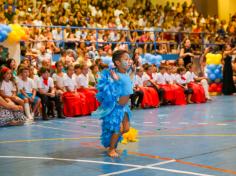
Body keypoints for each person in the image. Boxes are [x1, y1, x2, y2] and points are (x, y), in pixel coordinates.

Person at [92, 50, 134, 157]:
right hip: (116, 107)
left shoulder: (126, 72)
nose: (129, 61)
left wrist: (133, 69)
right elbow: (111, 89)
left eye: (129, 59)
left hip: (125, 107)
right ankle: (111, 149)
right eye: (126, 59)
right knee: (117, 129)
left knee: (126, 129)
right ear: (118, 62)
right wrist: (116, 80)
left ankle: (112, 143)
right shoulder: (115, 75)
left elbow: (128, 80)